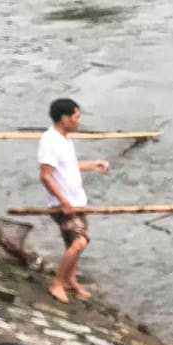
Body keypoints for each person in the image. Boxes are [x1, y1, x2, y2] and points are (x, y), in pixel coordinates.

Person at [39, 98, 110, 303]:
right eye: (76, 117)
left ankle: (70, 280)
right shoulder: (50, 141)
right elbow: (45, 175)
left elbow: (67, 167)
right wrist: (63, 202)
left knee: (73, 242)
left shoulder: (64, 140)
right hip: (63, 205)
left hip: (77, 201)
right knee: (79, 242)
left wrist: (93, 165)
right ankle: (57, 283)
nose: (79, 122)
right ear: (64, 118)